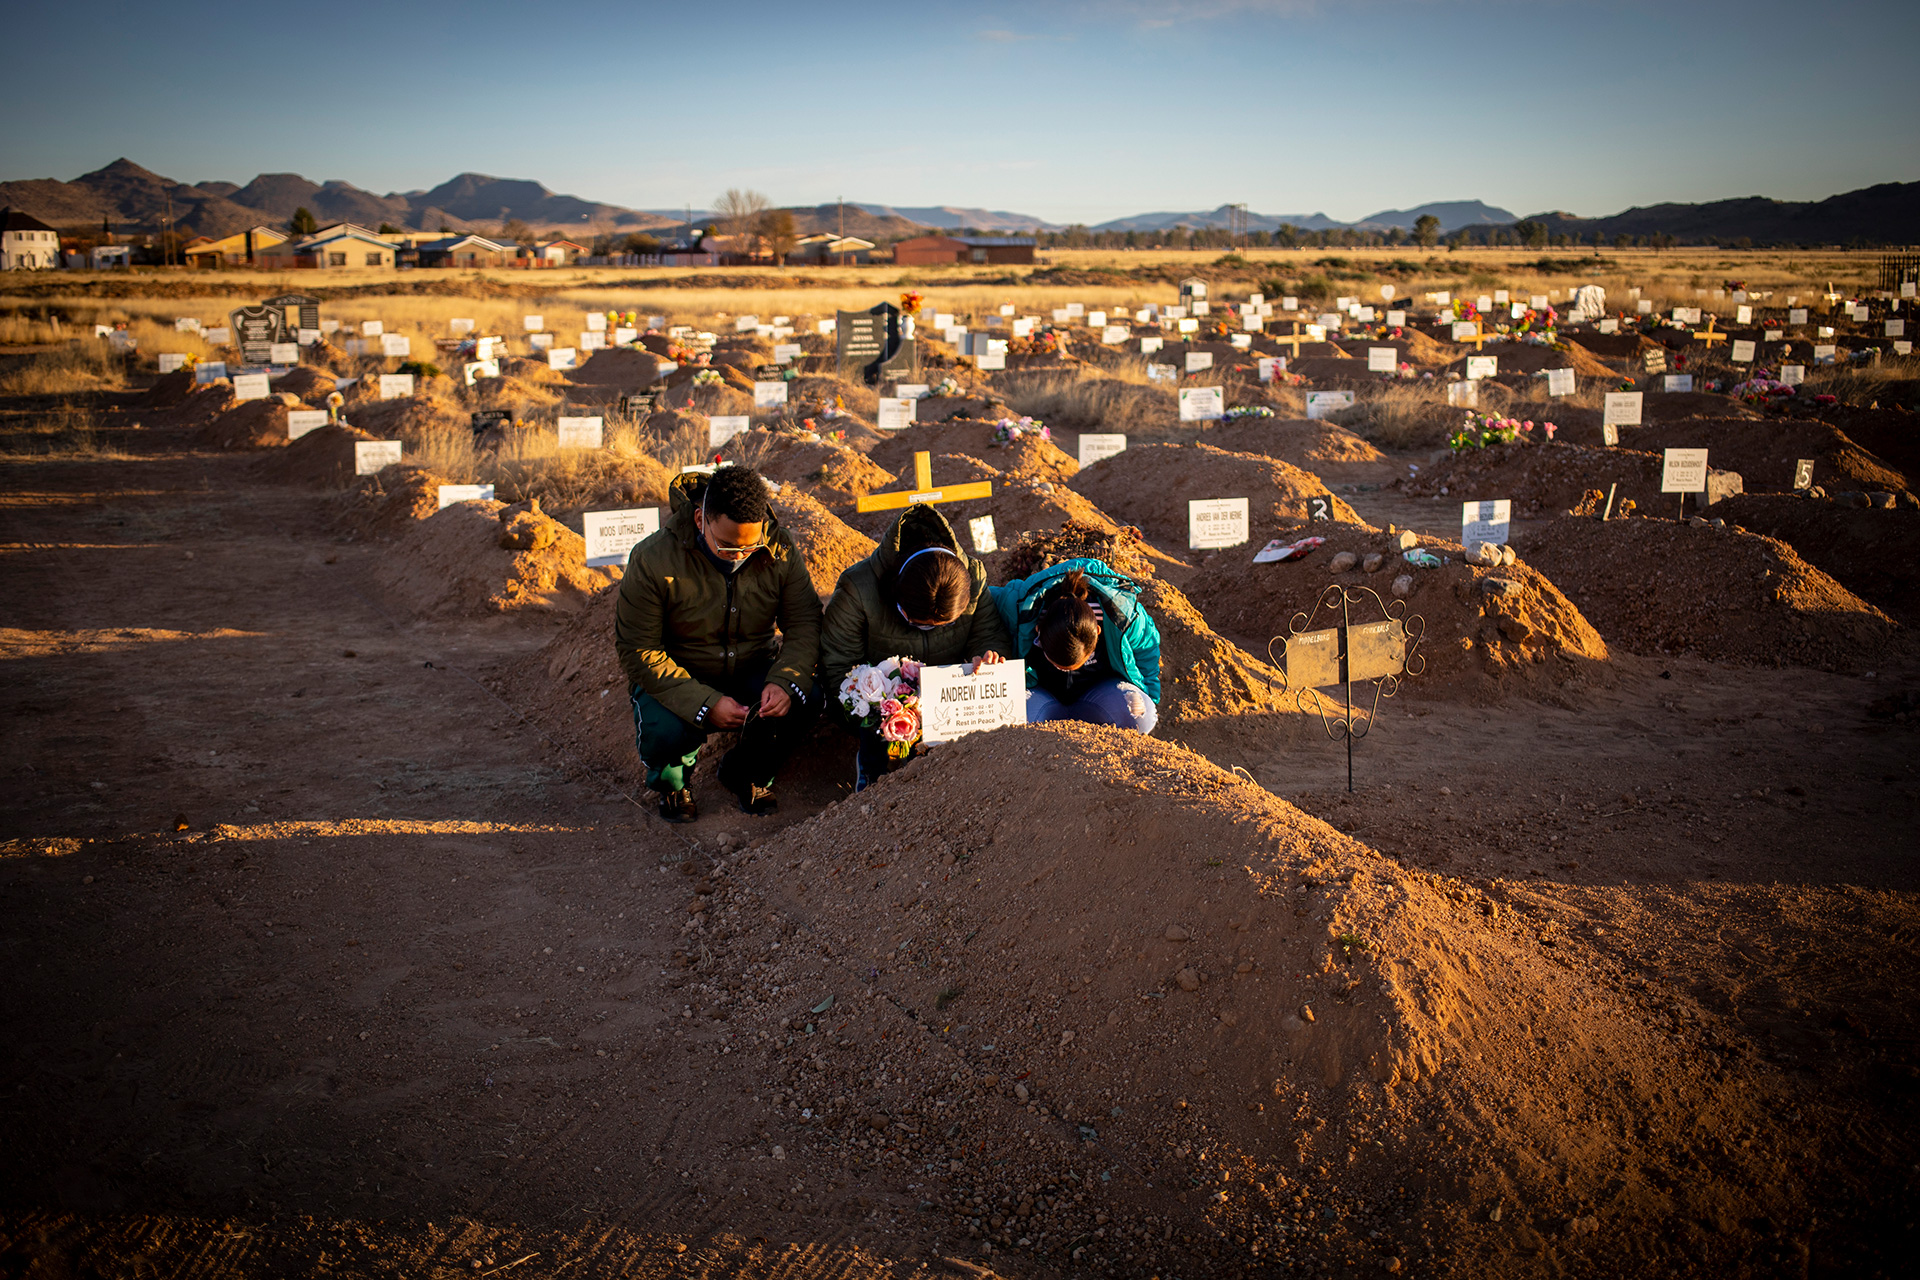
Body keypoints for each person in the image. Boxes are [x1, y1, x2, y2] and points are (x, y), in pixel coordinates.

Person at [614, 465, 820, 822]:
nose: (740, 555)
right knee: (665, 730)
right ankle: (673, 784)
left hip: (751, 665)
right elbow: (639, 650)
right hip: (680, 674)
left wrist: (785, 680)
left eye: (750, 546)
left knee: (807, 697)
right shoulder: (652, 559)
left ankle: (746, 771)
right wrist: (704, 703)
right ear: (699, 520)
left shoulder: (779, 548)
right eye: (726, 546)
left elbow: (804, 623)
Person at [821, 502, 1013, 789]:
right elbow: (838, 666)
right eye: (918, 621)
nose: (929, 630)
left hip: (950, 701)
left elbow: (988, 634)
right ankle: (871, 771)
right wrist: (880, 703)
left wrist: (987, 657)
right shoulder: (859, 589)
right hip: (886, 701)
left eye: (943, 625)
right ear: (894, 593)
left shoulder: (974, 576)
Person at [991, 559, 1160, 733]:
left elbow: (1146, 651)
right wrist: (988, 653)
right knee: (1008, 719)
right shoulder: (1021, 608)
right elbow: (982, 607)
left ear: (1097, 631)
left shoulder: (1122, 615)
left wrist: (1149, 697)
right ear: (1038, 631)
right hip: (1041, 695)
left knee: (1139, 715)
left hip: (1100, 693)